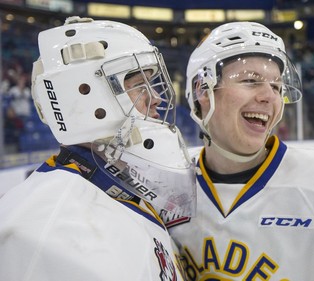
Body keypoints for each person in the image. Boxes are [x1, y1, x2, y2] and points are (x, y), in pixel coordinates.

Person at [161, 22, 314, 280]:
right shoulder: (163, 184)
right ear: (202, 90)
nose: (269, 96)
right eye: (251, 81)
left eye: (276, 86)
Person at [0, 16, 196, 281]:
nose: (157, 98)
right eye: (139, 84)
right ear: (84, 92)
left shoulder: (117, 186)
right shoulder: (48, 230)